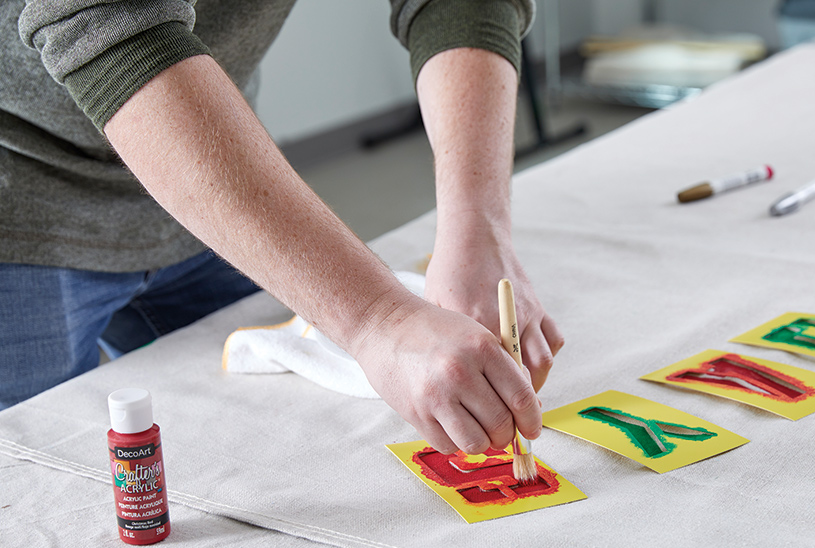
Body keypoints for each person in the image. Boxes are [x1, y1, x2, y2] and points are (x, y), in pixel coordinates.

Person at [0, 0, 564, 455]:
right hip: (19, 197)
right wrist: (379, 319)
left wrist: (476, 224)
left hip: (212, 179)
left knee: (257, 448)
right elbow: (109, 25)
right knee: (35, 479)